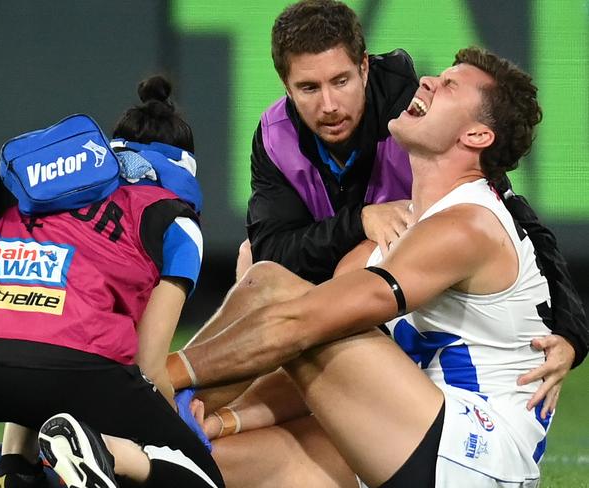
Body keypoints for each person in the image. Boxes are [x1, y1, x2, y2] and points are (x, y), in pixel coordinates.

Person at [168, 46, 561, 487]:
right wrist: (222, 422)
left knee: (270, 285)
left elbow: (298, 323)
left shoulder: (469, 225)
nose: (428, 81)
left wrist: (161, 377)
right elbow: (318, 366)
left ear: (476, 137)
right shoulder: (387, 241)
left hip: (473, 458)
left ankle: (134, 404)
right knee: (195, 462)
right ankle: (114, 445)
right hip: (404, 443)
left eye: (449, 85)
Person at [232, 0, 585, 412]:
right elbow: (271, 253)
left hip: (409, 294)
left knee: (355, 262)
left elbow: (520, 221)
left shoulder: (412, 109)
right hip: (332, 281)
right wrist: (359, 220)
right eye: (309, 88)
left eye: (341, 80)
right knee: (251, 261)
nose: (328, 105)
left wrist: (573, 336)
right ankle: (212, 411)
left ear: (365, 67)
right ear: (286, 85)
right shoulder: (275, 136)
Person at [0, 75, 224, 488]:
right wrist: (175, 429)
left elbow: (15, 313)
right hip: (63, 368)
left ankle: (10, 475)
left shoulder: (42, 190)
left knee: (32, 328)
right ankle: (99, 450)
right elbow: (148, 363)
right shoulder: (173, 216)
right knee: (199, 477)